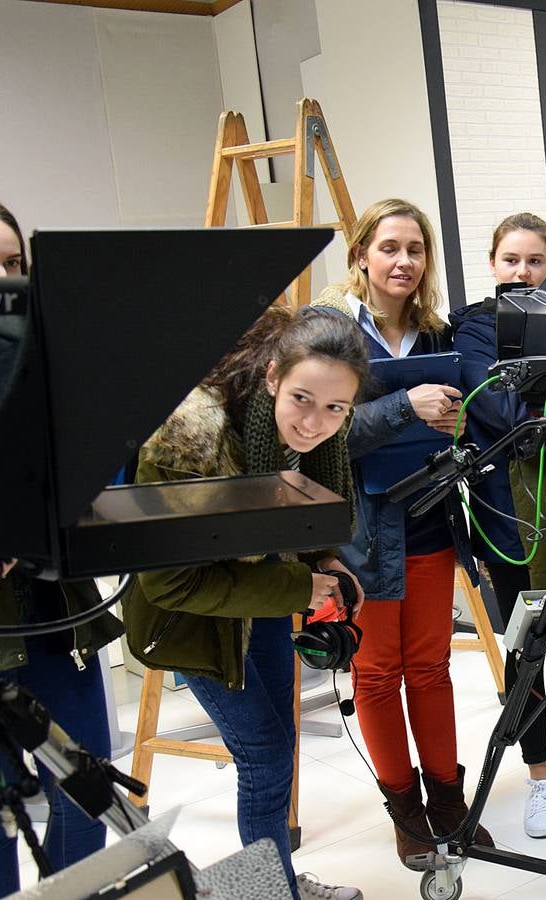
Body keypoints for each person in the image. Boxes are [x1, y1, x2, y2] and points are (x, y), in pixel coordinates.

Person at [123, 305, 366, 900]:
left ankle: (273, 881)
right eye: (303, 399)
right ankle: (269, 893)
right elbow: (172, 585)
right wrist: (297, 587)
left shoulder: (319, 432)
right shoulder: (193, 437)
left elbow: (306, 512)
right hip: (194, 623)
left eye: (336, 408)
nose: (315, 424)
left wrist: (323, 559)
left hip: (256, 600)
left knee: (277, 750)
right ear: (272, 375)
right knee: (264, 760)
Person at [0, 193, 123, 900]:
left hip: (55, 621)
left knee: (88, 780)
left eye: (13, 265)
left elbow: (97, 474)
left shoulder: (47, 367)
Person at [309, 198, 491, 867]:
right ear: (360, 255)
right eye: (389, 247)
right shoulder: (327, 332)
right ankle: (405, 810)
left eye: (415, 249)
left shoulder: (437, 333)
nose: (403, 261)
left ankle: (448, 800)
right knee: (379, 675)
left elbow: (456, 417)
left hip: (428, 519)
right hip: (360, 533)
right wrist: (399, 408)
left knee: (432, 669)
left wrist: (457, 422)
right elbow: (313, 436)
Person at [450, 212, 546, 839]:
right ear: (492, 263)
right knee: (526, 642)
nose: (522, 272)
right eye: (511, 260)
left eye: (534, 261)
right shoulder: (474, 328)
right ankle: (537, 771)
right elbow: (504, 408)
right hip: (505, 517)